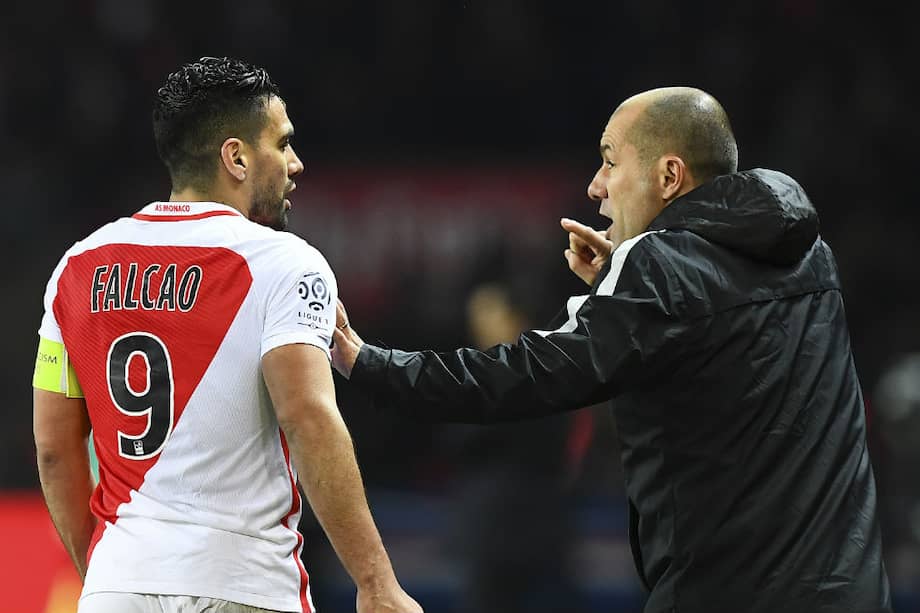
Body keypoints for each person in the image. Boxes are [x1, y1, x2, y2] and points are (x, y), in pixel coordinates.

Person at [330, 87, 891, 612]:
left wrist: (371, 363)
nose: (597, 186)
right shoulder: (810, 253)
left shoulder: (654, 265)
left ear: (669, 175)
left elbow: (525, 375)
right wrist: (620, 298)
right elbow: (716, 338)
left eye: (610, 161)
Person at [32, 57, 423, 613]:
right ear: (236, 157)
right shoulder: (284, 262)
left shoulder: (77, 266)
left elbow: (53, 450)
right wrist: (377, 584)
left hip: (117, 585)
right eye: (282, 144)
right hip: (244, 582)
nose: (296, 163)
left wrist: (106, 575)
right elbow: (308, 416)